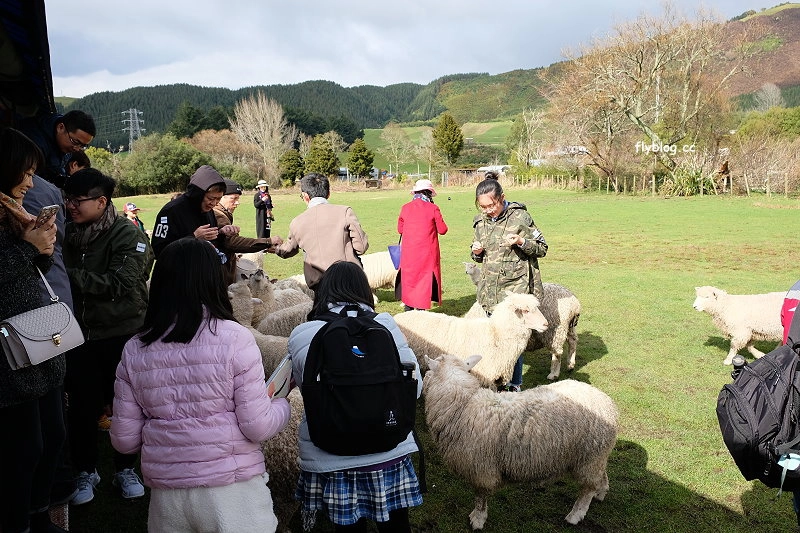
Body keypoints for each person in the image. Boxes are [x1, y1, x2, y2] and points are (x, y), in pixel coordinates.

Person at [110, 237, 291, 532]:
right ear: (213, 280)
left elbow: (124, 440)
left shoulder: (135, 349)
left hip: (168, 500)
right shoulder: (235, 338)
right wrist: (282, 405)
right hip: (232, 493)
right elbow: (257, 425)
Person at [289, 261, 423, 532]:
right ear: (364, 290)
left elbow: (308, 392)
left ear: (323, 292)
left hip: (333, 454)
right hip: (389, 447)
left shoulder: (303, 334)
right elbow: (415, 386)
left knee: (348, 527)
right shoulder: (386, 325)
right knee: (397, 526)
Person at [61, 168, 153, 505]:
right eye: (67, 199)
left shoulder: (128, 236)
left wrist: (64, 274)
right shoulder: (64, 233)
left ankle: (125, 468)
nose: (70, 206)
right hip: (78, 334)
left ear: (102, 202)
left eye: (78, 200)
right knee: (82, 406)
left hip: (121, 332)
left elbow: (120, 284)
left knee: (125, 405)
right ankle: (86, 470)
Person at [0, 127, 66, 533]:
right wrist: (30, 248)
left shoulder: (13, 217)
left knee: (50, 438)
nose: (29, 181)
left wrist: (39, 251)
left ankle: (39, 513)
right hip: (9, 354)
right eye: (24, 172)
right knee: (23, 448)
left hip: (36, 338)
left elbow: (24, 278)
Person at [470, 176, 547, 392]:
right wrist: (476, 252)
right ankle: (495, 381)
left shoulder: (521, 217)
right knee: (492, 340)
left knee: (513, 342)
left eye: (491, 205)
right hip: (490, 294)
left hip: (514, 294)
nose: (487, 210)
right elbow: (479, 257)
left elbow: (542, 248)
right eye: (482, 206)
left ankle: (515, 384)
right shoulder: (480, 222)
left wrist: (522, 242)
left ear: (501, 198)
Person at [275, 173, 368, 291]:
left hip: (320, 285)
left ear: (305, 196)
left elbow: (287, 250)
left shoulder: (297, 222)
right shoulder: (345, 212)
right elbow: (361, 247)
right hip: (350, 279)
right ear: (328, 194)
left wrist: (274, 247)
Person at [150, 165, 239, 258]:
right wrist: (193, 237)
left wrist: (221, 233)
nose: (214, 203)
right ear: (198, 194)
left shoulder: (208, 210)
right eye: (210, 198)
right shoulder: (171, 211)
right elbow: (158, 249)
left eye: (218, 199)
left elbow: (211, 242)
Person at [214, 178, 283, 284]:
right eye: (234, 199)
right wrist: (268, 241)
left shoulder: (221, 213)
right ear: (221, 197)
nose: (237, 203)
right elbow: (232, 242)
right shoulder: (219, 215)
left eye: (238, 199)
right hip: (221, 276)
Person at [396, 178, 448, 311]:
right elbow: (443, 230)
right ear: (429, 193)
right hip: (427, 254)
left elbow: (400, 229)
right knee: (423, 283)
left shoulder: (405, 208)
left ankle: (408, 312)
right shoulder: (433, 208)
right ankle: (420, 314)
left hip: (409, 254)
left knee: (410, 281)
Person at [18, 110, 96, 187]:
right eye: (75, 142)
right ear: (60, 127)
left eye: (83, 146)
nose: (77, 149)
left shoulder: (64, 145)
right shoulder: (34, 144)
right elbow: (25, 179)